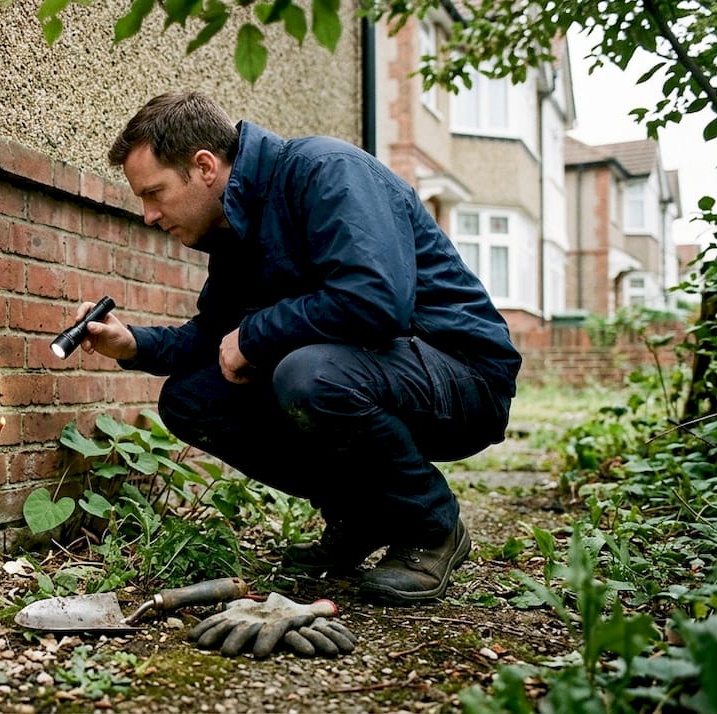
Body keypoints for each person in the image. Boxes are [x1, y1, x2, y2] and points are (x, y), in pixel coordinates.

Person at [69, 91, 521, 604]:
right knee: (192, 399)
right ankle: (361, 517)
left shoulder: (327, 171)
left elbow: (375, 301)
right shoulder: (235, 226)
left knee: (309, 376)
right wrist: (132, 344)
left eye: (155, 193)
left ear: (205, 167)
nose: (149, 214)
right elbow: (216, 336)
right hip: (373, 370)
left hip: (462, 373)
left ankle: (431, 525)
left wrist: (257, 335)